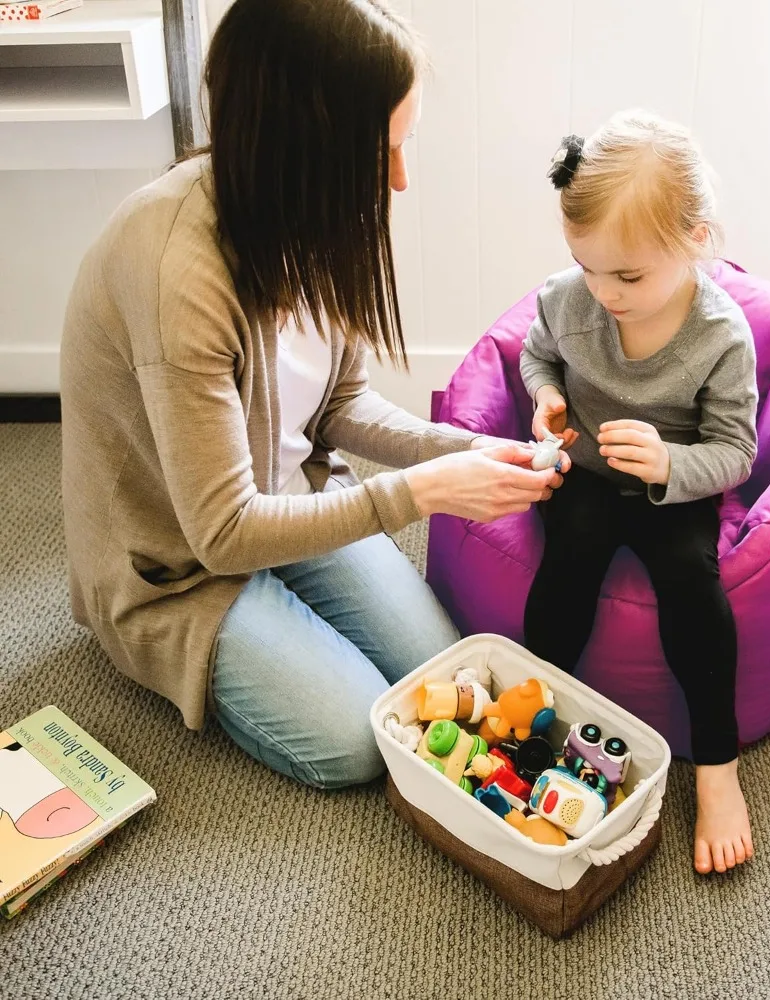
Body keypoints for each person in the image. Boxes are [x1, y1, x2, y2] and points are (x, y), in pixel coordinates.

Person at [59, 0, 566, 791]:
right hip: (179, 566)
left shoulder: (320, 217)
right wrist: (423, 493)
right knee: (363, 741)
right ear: (305, 142)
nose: (400, 179)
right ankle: (155, 642)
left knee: (436, 670)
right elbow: (222, 533)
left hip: (288, 504)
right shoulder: (176, 273)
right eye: (383, 152)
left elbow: (342, 407)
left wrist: (460, 451)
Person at [520, 112, 758, 874]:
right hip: (586, 473)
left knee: (693, 582)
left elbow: (736, 452)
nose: (604, 293)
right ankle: (534, 722)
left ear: (697, 240)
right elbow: (535, 354)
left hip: (673, 490)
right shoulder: (568, 300)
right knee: (567, 563)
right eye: (587, 267)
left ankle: (717, 766)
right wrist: (545, 397)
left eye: (627, 276)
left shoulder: (721, 337)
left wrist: (668, 465)